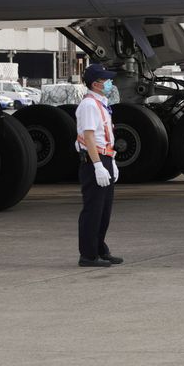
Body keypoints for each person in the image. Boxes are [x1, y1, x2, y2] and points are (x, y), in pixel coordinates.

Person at [75, 63, 123, 268]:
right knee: (93, 210)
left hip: (105, 157)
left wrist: (111, 162)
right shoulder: (89, 105)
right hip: (94, 159)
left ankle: (99, 249)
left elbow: (105, 136)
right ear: (95, 84)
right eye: (106, 80)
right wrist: (97, 165)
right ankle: (88, 255)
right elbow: (89, 137)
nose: (110, 83)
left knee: (104, 210)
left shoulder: (101, 103)